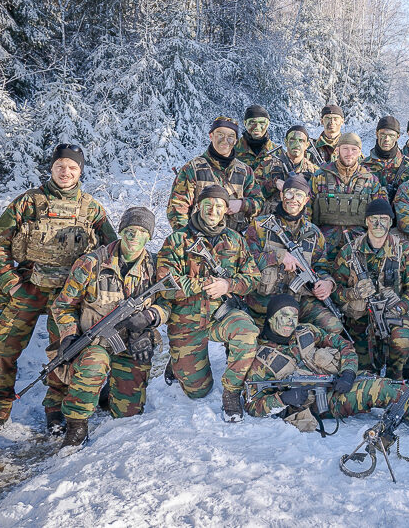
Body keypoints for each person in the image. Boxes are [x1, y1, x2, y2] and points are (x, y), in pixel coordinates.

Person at [0, 143, 116, 438]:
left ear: (81, 171)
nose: (66, 172)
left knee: (64, 350)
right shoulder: (29, 202)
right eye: (60, 166)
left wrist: (95, 290)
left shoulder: (91, 208)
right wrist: (11, 284)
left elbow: (111, 250)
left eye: (72, 167)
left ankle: (55, 409)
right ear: (51, 168)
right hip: (28, 287)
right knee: (5, 348)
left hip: (68, 294)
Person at [243, 295, 409, 436]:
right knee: (383, 390)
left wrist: (348, 371)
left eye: (294, 316)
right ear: (271, 319)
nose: (290, 322)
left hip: (338, 384)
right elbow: (253, 405)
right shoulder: (261, 358)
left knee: (398, 387)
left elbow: (343, 344)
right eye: (284, 316)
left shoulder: (305, 331)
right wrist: (283, 399)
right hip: (319, 404)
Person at [51, 207, 168, 448]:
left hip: (133, 343)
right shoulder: (90, 264)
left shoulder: (156, 266)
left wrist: (149, 317)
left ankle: (108, 393)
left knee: (128, 413)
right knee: (94, 364)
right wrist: (69, 335)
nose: (134, 237)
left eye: (141, 232)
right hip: (95, 343)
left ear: (149, 236)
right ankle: (77, 424)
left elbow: (169, 304)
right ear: (121, 231)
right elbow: (63, 305)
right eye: (128, 230)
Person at [156, 185, 261, 423]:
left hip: (220, 316)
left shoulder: (235, 240)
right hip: (186, 320)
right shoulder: (177, 240)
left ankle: (231, 393)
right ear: (198, 206)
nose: (213, 210)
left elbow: (253, 278)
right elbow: (165, 282)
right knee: (197, 391)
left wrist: (228, 285)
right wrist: (203, 284)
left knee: (246, 332)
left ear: (226, 210)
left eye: (219, 205)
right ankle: (177, 361)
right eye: (208, 204)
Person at [330, 200, 409, 380]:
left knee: (401, 341)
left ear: (390, 222)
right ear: (366, 222)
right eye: (374, 219)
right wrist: (353, 293)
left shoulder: (404, 250)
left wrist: (397, 310)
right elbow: (334, 291)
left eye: (384, 219)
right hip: (360, 321)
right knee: (364, 374)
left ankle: (397, 371)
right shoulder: (349, 251)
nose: (379, 224)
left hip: (394, 315)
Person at [243, 174, 341, 336]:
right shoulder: (260, 225)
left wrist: (327, 283)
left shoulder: (314, 233)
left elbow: (321, 267)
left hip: (299, 301)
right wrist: (278, 256)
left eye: (299, 195)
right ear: (281, 195)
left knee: (334, 327)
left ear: (306, 200)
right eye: (289, 193)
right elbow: (246, 262)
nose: (293, 199)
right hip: (264, 303)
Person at [167, 116, 263, 232]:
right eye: (220, 134)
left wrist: (242, 204)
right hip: (200, 241)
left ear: (236, 140)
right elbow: (177, 208)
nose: (225, 140)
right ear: (211, 136)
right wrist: (187, 238)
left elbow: (259, 202)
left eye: (231, 136)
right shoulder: (192, 169)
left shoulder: (245, 172)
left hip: (234, 243)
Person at [309, 132, 388, 255]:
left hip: (359, 246)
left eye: (354, 149)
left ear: (360, 152)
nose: (349, 153)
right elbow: (305, 209)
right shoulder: (320, 176)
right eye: (345, 148)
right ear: (338, 150)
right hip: (323, 246)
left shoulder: (370, 180)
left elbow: (382, 216)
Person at [255, 125, 320, 216]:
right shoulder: (267, 165)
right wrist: (274, 183)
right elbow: (253, 192)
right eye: (292, 140)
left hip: (303, 221)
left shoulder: (315, 171)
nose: (296, 144)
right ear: (286, 142)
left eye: (301, 141)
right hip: (272, 219)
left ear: (307, 145)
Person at [362, 116, 409, 203]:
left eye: (391, 135)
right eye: (383, 134)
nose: (386, 139)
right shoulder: (362, 167)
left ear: (398, 137)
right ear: (377, 134)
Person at [233, 105, 279, 173]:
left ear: (268, 124)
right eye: (252, 122)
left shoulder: (278, 153)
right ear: (245, 123)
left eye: (262, 123)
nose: (257, 127)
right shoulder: (232, 150)